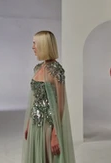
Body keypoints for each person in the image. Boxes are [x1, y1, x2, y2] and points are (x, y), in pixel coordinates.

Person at [22, 30, 76, 163]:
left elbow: (61, 104)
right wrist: (29, 123)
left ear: (44, 45)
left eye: (35, 43)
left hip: (48, 125)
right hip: (35, 123)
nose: (33, 47)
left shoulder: (56, 70)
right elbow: (35, 99)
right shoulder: (38, 68)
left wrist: (56, 133)